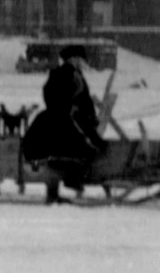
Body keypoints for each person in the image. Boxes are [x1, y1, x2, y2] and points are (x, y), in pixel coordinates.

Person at [20, 43, 107, 204]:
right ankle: (68, 183)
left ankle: (59, 189)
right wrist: (77, 114)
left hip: (58, 121)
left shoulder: (70, 74)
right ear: (73, 59)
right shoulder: (67, 75)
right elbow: (68, 102)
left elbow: (79, 102)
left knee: (60, 155)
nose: (83, 62)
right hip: (60, 123)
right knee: (74, 152)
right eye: (81, 59)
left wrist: (87, 117)